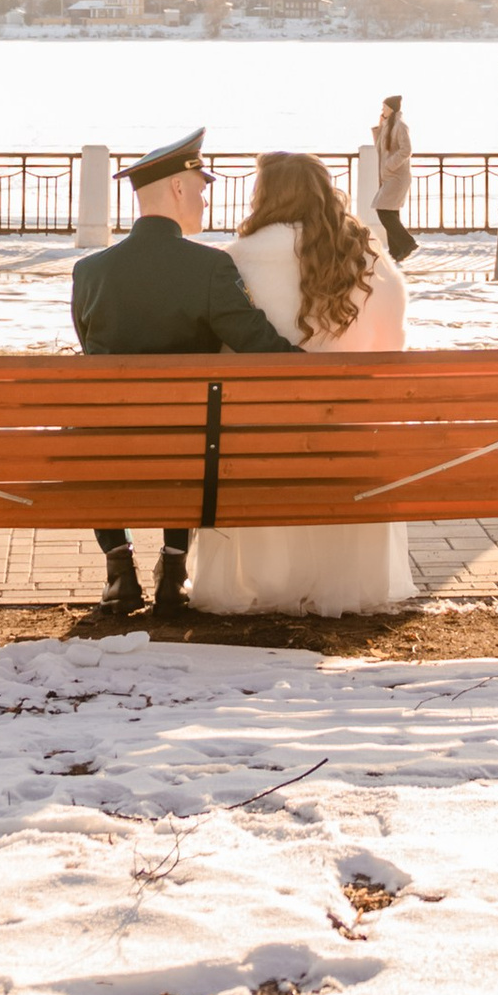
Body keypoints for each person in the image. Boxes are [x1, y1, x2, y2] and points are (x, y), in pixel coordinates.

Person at [71, 126, 293, 621]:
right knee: (195, 432)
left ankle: (118, 568)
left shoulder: (90, 272)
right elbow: (263, 349)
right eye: (200, 188)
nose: (205, 200)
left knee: (99, 425)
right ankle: (173, 569)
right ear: (177, 187)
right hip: (187, 449)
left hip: (105, 449)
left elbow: (93, 354)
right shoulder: (208, 269)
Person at [190, 149, 413, 618]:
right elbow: (392, 344)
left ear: (265, 197)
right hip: (348, 438)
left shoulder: (235, 261)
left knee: (245, 436)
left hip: (256, 439)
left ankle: (264, 582)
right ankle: (336, 585)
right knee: (348, 433)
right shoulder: (368, 256)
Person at [369, 93, 418, 263]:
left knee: (383, 210)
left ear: (391, 108)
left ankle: (407, 243)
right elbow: (379, 148)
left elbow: (406, 150)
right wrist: (380, 125)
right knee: (391, 211)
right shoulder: (389, 125)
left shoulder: (400, 126)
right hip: (390, 176)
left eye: (384, 107)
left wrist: (390, 164)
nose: (382, 109)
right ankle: (396, 252)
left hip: (397, 176)